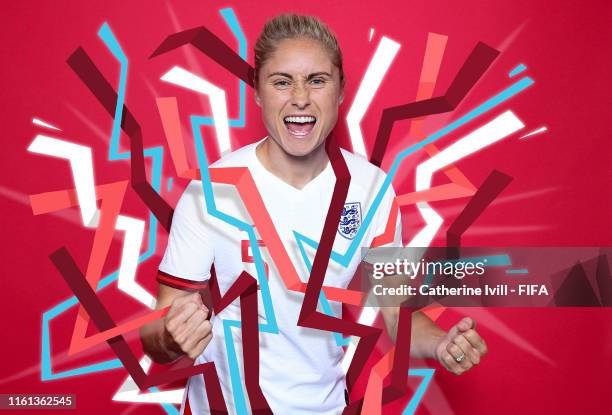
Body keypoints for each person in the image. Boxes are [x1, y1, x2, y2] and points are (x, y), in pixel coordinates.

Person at [140, 14, 488, 414]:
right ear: (257, 92)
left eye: (317, 80)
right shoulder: (211, 191)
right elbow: (158, 327)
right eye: (281, 81)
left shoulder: (370, 189)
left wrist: (441, 343)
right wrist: (171, 338)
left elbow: (397, 311)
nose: (300, 97)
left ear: (340, 91)